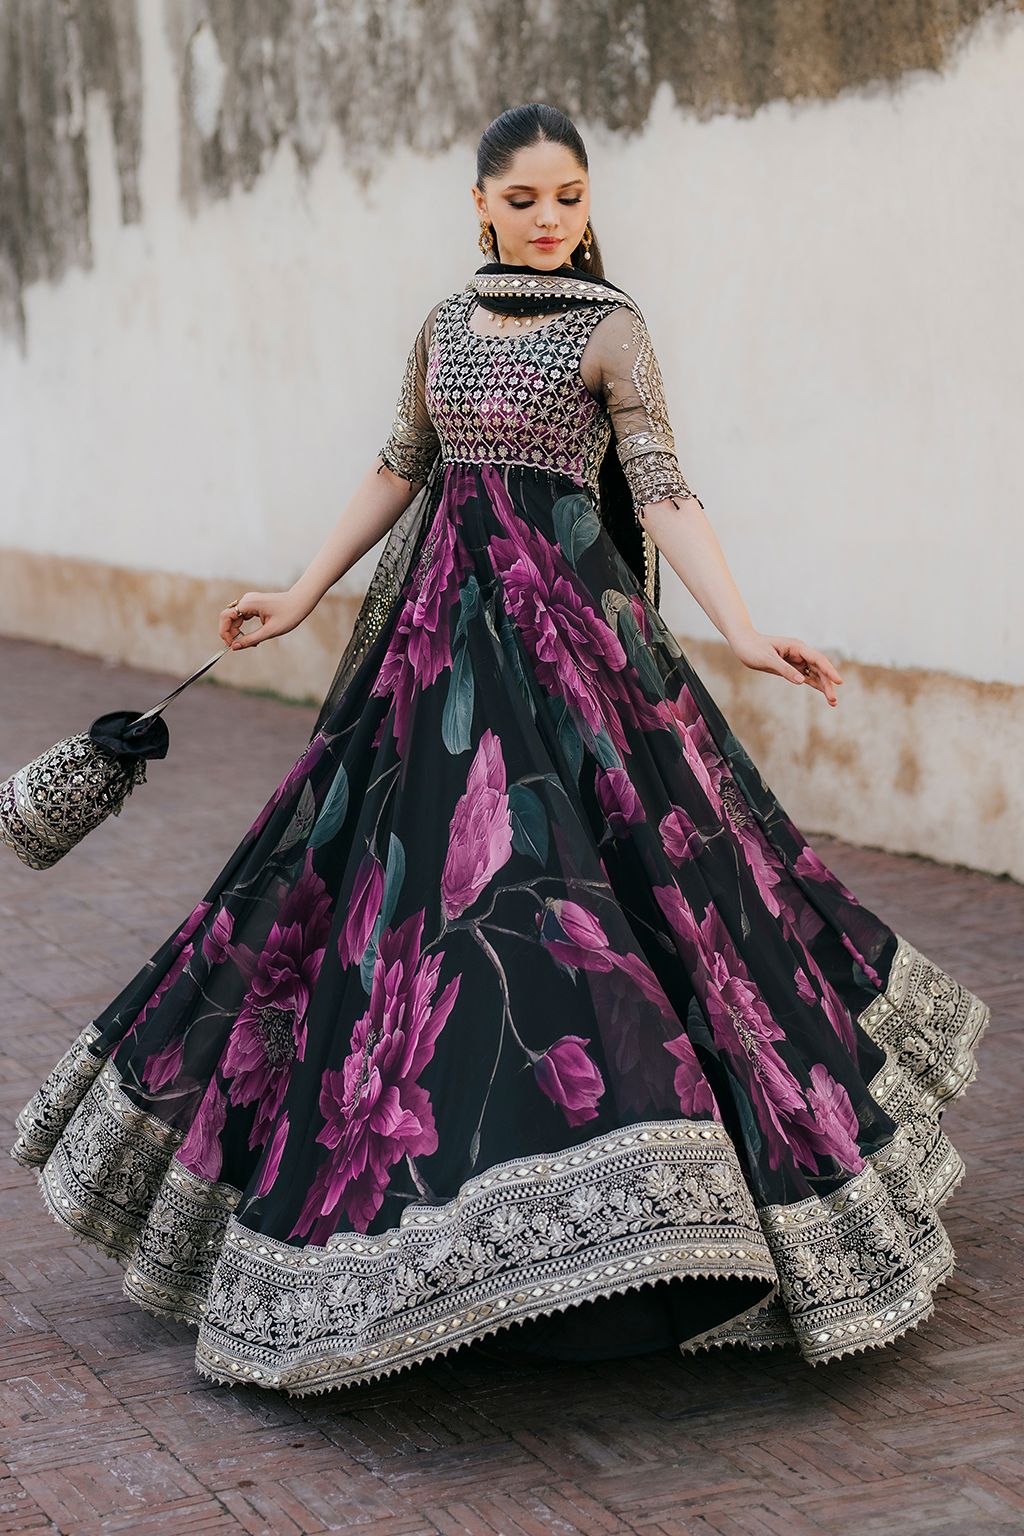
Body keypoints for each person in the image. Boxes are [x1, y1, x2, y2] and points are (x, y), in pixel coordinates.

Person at [11, 103, 989, 1396]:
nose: (549, 218)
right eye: (525, 198)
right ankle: (455, 1232)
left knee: (592, 903)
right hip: (439, 659)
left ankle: (650, 1227)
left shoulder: (611, 330)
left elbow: (667, 487)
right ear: (481, 204)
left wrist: (746, 633)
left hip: (577, 650)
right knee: (417, 913)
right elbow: (398, 467)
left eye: (570, 198)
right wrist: (299, 596)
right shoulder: (445, 326)